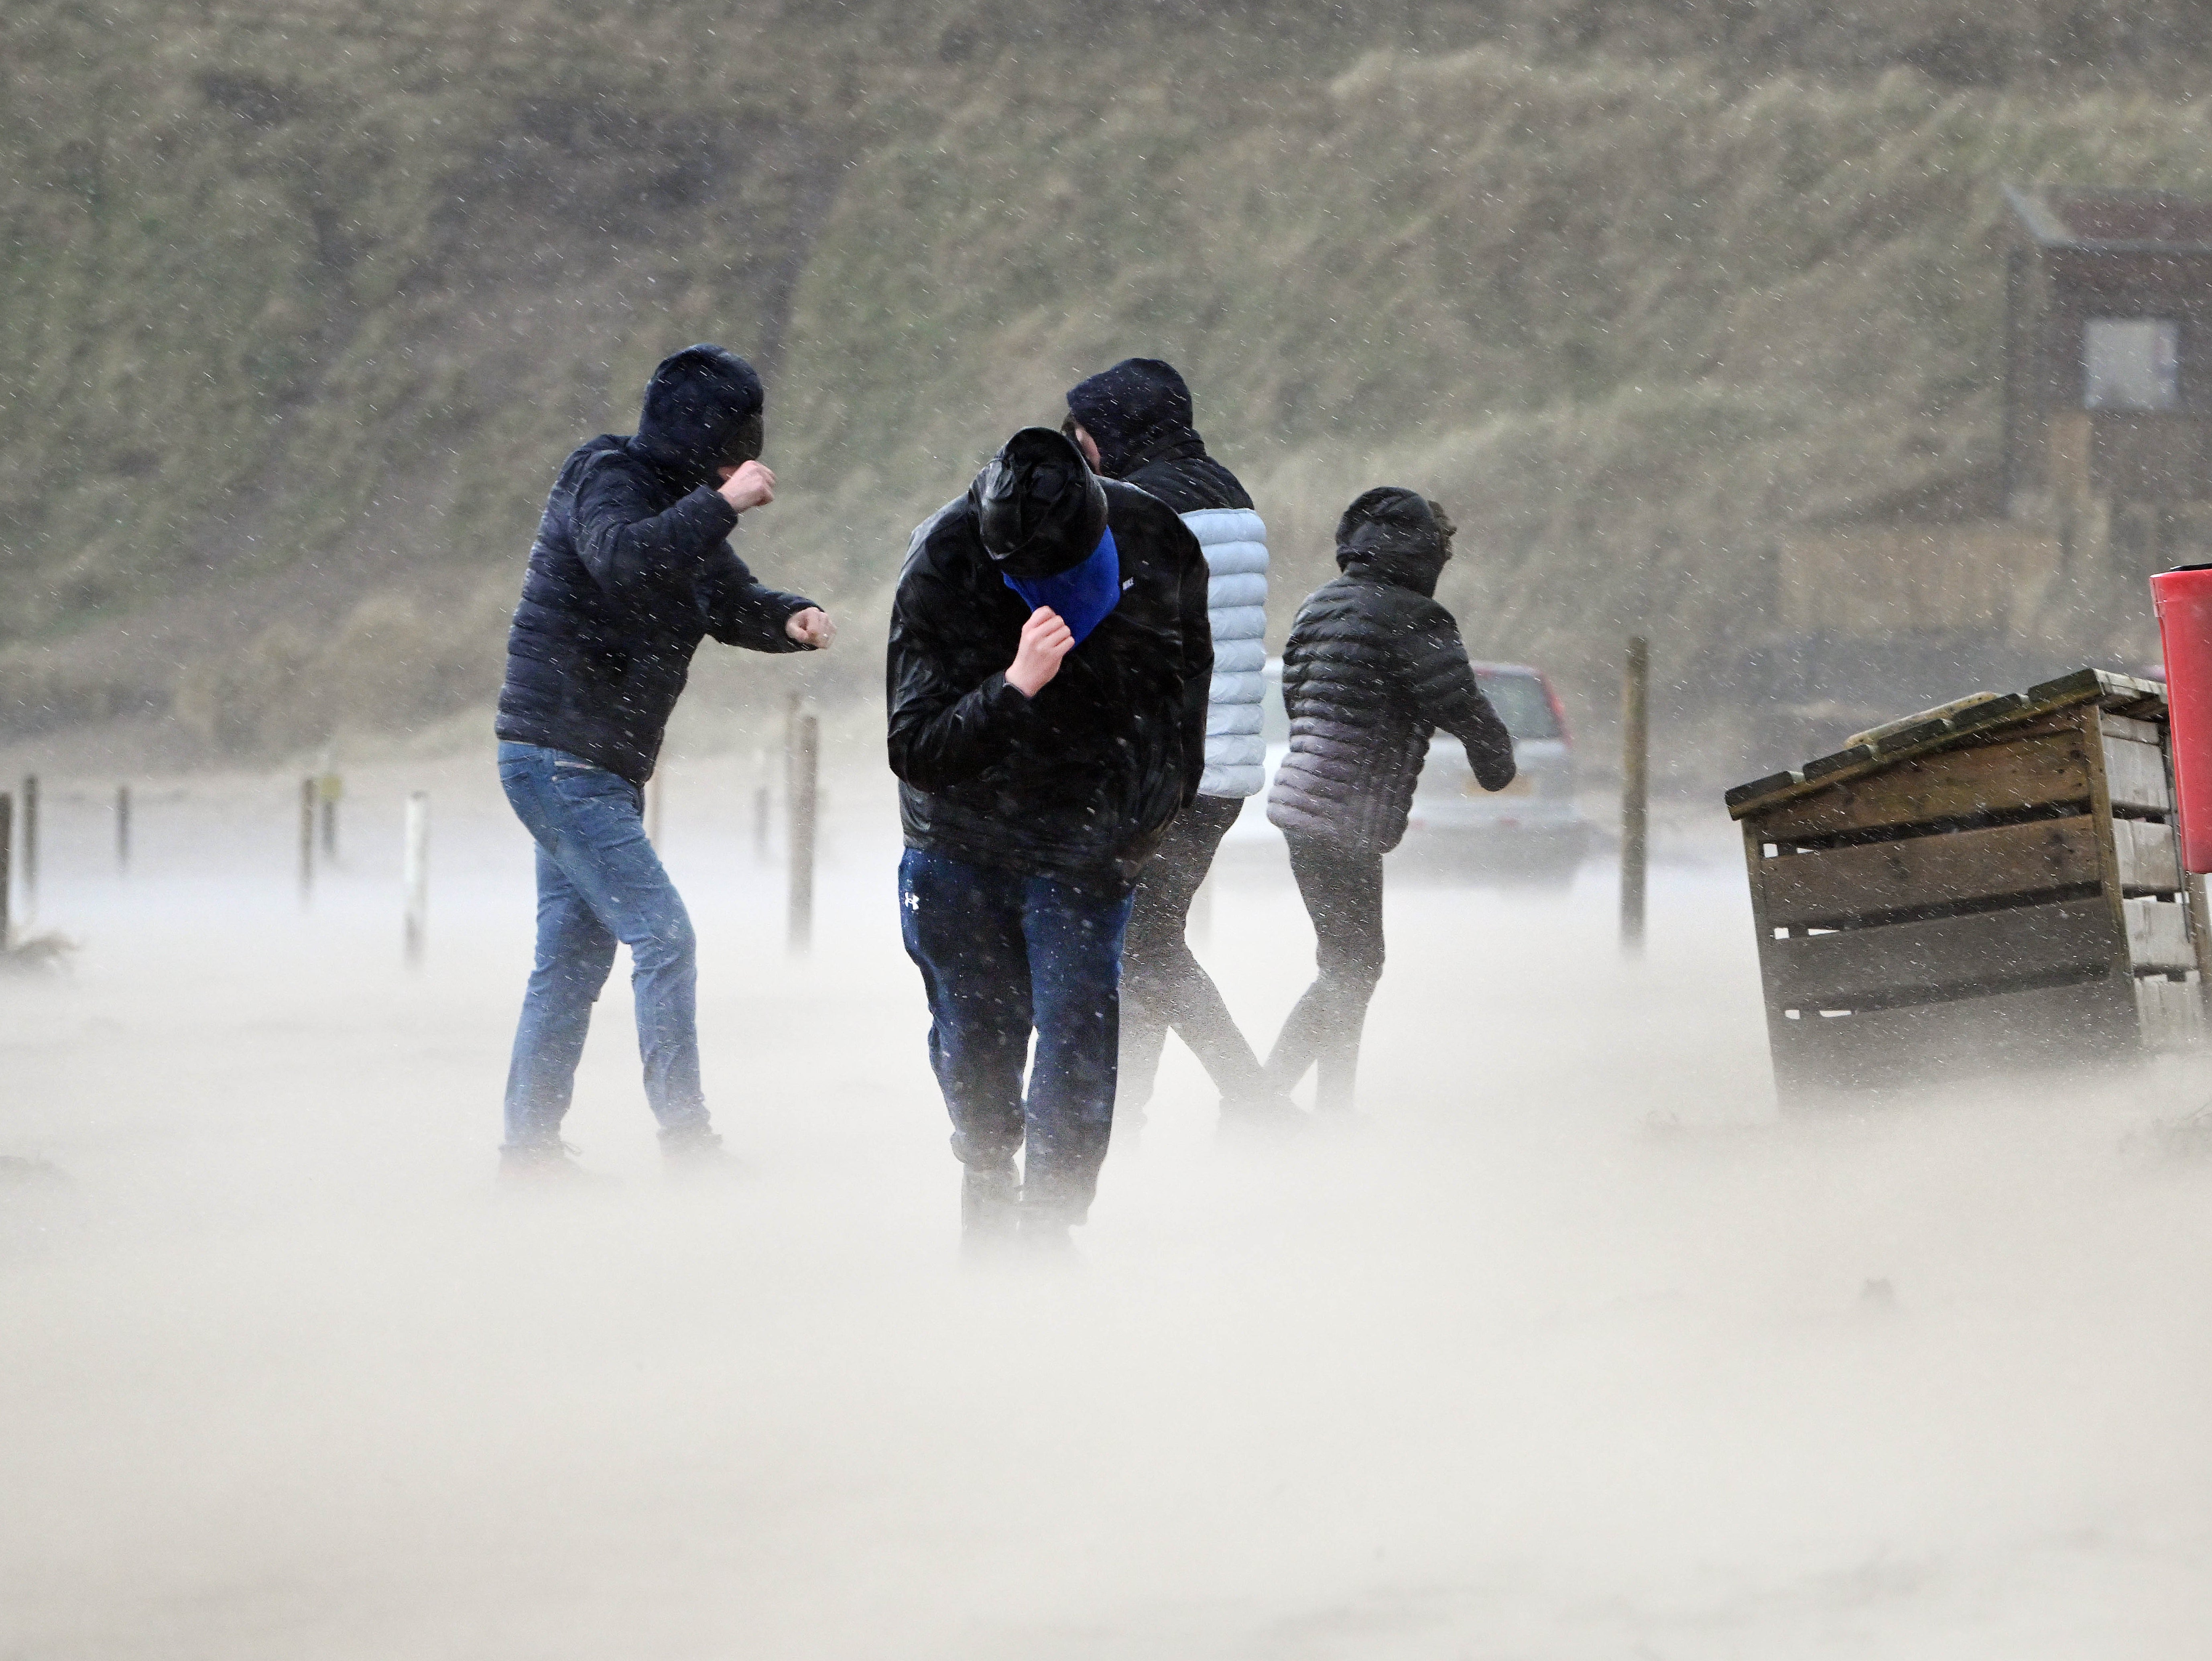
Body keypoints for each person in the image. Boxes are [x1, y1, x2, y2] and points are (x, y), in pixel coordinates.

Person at [494, 344, 835, 1177]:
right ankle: (686, 1143)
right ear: (693, 436)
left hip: (594, 764)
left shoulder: (685, 505)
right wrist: (721, 503)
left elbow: (726, 601)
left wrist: (789, 617)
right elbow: (619, 557)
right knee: (664, 936)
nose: (740, 461)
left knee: (571, 962)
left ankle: (528, 1154)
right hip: (557, 755)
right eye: (730, 446)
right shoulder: (604, 473)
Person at [887, 426, 1212, 1249]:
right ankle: (988, 1178)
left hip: (1085, 835)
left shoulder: (1154, 538)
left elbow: (1184, 702)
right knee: (976, 1032)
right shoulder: (943, 561)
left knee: (1076, 1025)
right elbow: (915, 748)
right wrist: (1013, 686)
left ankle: (1049, 1225)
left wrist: (1145, 824)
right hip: (958, 834)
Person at [1062, 357, 1289, 1132]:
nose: (1083, 449)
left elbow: (1110, 638)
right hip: (1223, 764)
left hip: (1158, 766)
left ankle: (1254, 1100)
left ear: (1120, 430)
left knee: (1146, 947)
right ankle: (1129, 1115)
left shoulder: (1136, 506)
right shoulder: (1233, 495)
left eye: (1087, 435)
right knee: (1152, 940)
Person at [1264, 488, 1515, 1113]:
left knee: (1344, 965)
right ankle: (1258, 1101)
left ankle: (1332, 1110)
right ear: (1424, 552)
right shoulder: (1414, 617)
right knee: (1354, 967)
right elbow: (1460, 703)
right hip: (1346, 810)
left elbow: (1298, 698)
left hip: (1302, 803)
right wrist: (1496, 764)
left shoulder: (1319, 604)